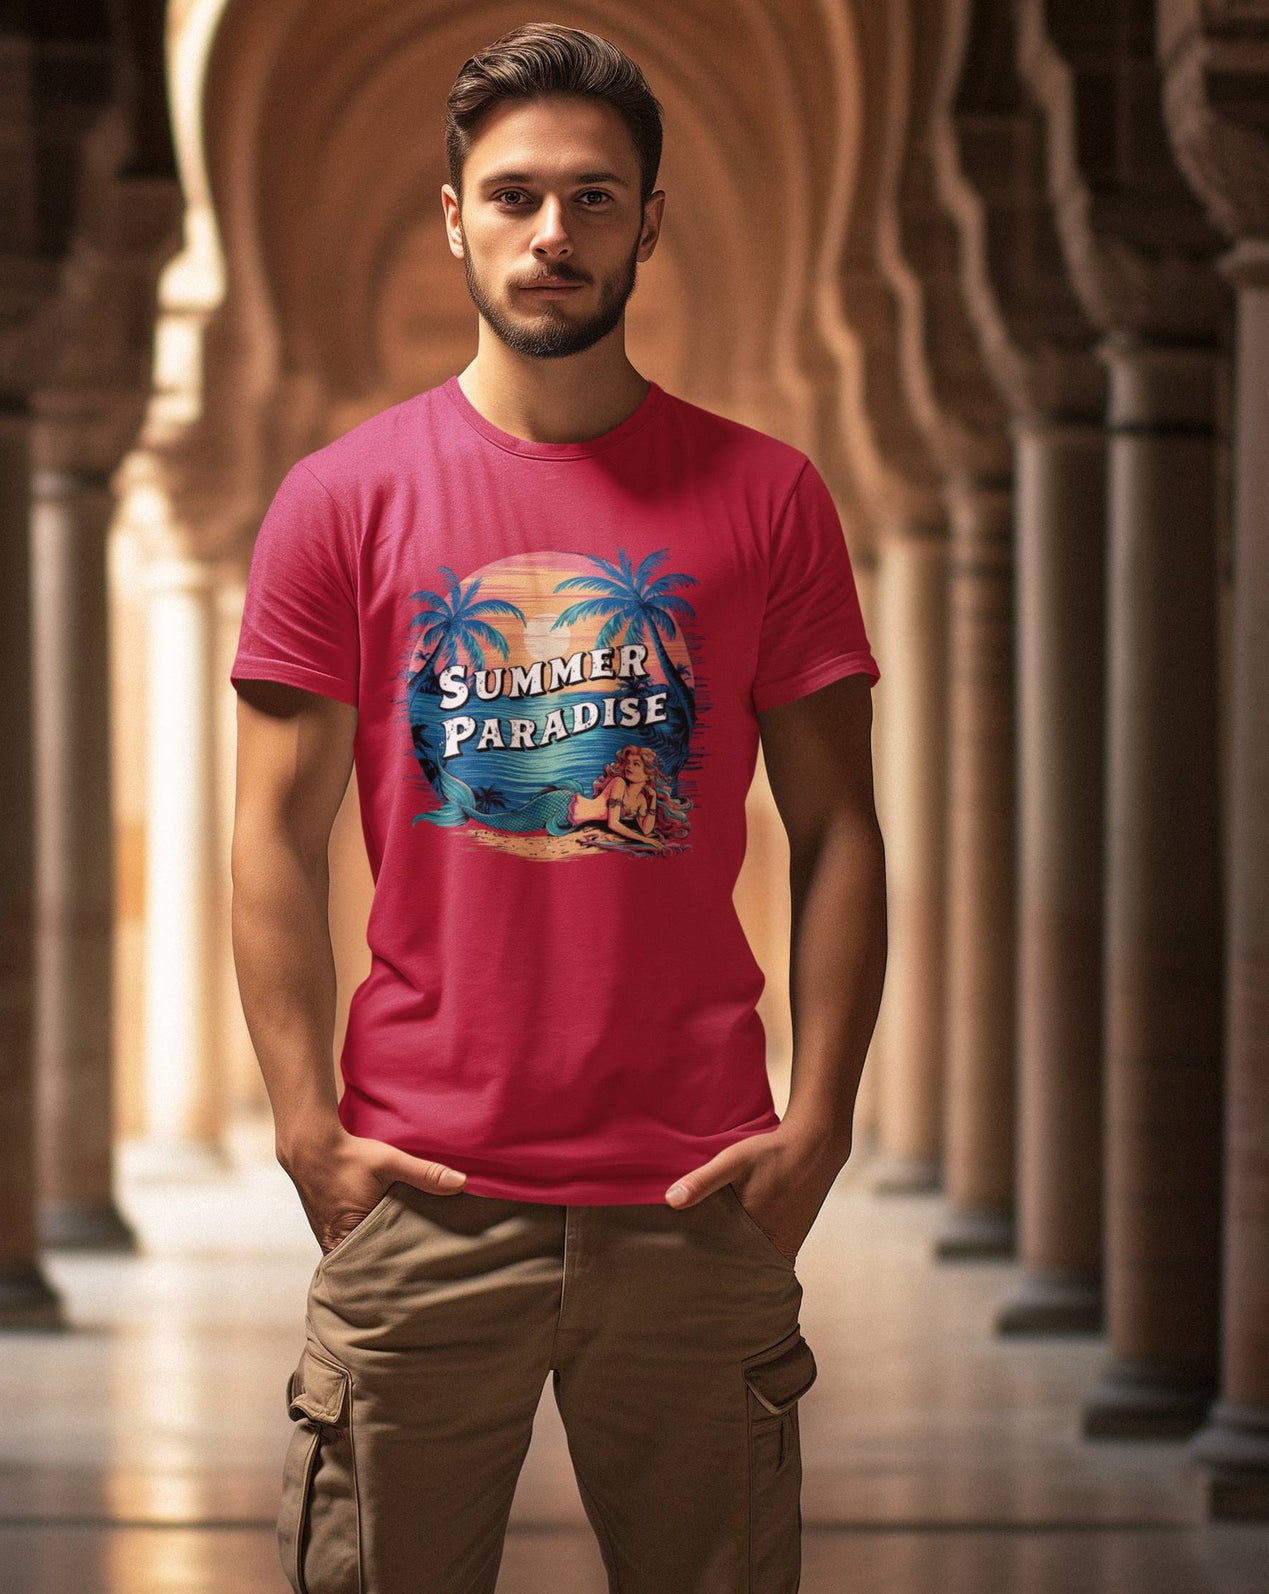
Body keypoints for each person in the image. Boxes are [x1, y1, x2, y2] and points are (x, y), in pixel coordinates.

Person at [229, 22, 886, 1593]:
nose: (551, 236)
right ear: (451, 213)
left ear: (648, 220)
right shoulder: (342, 499)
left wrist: (823, 1121)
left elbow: (841, 825)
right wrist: (303, 1124)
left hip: (694, 1191)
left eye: (593, 200)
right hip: (421, 1189)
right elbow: (268, 828)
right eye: (514, 197)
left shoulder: (766, 494)